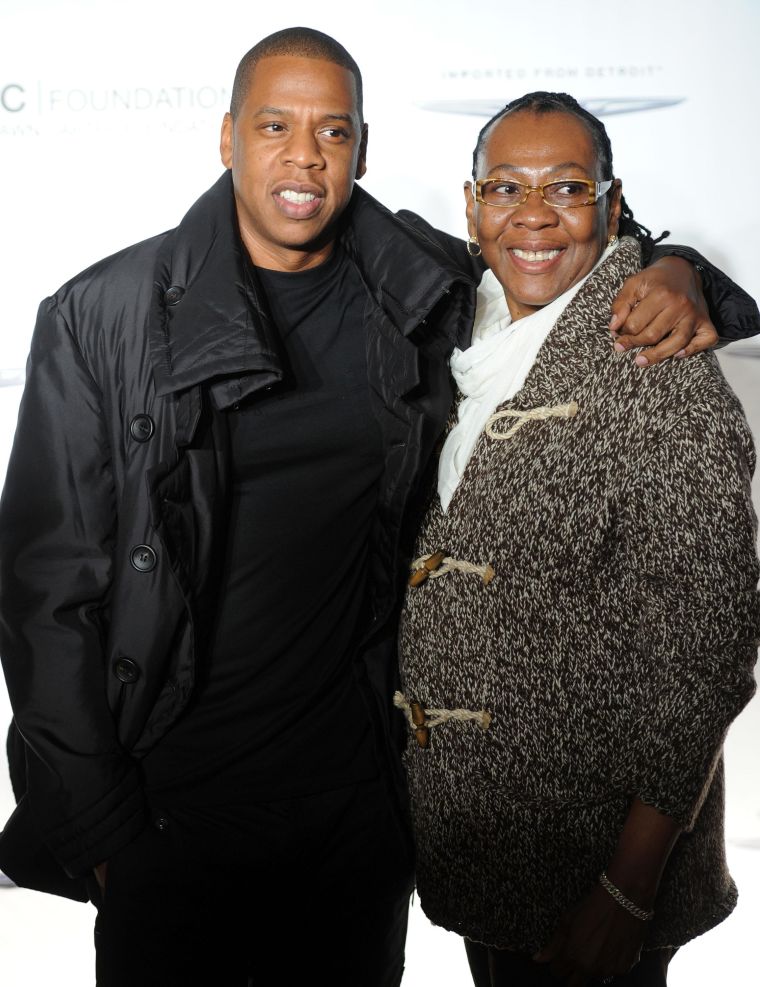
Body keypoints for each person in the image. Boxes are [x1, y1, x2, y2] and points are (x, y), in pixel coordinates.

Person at [0, 29, 757, 986]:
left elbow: (553, 242)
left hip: (356, 818)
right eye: (275, 125)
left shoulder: (416, 282)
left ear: (364, 147)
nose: (304, 156)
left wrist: (677, 265)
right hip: (173, 815)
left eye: (334, 131)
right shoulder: (102, 315)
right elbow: (43, 598)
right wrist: (107, 834)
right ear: (227, 137)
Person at [397, 91, 760, 987]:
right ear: (471, 201)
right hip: (489, 846)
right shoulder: (458, 318)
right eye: (505, 187)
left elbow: (708, 656)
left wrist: (628, 889)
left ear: (611, 199)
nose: (532, 215)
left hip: (597, 866)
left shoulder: (659, 367)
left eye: (566, 188)